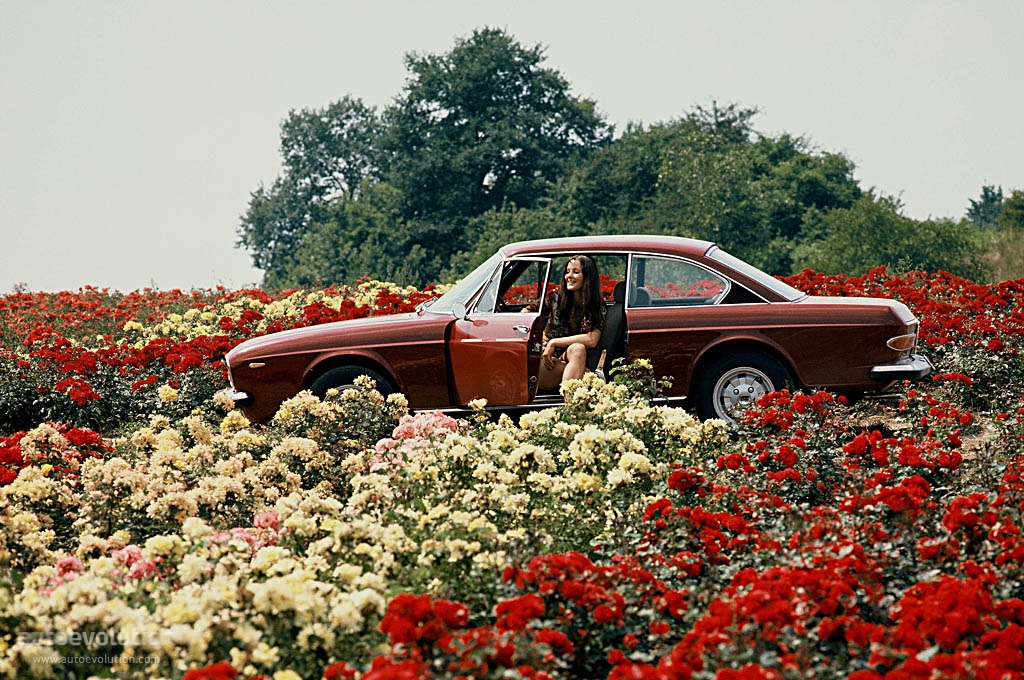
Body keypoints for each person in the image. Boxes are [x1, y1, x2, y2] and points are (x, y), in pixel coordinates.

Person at [537, 255, 606, 390]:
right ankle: (588, 377)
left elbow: (592, 339)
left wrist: (554, 342)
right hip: (546, 357)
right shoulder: (554, 298)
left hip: (568, 358)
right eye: (567, 271)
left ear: (587, 277)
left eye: (575, 272)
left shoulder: (596, 305)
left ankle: (572, 400)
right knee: (582, 371)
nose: (569, 276)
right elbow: (528, 312)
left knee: (578, 348)